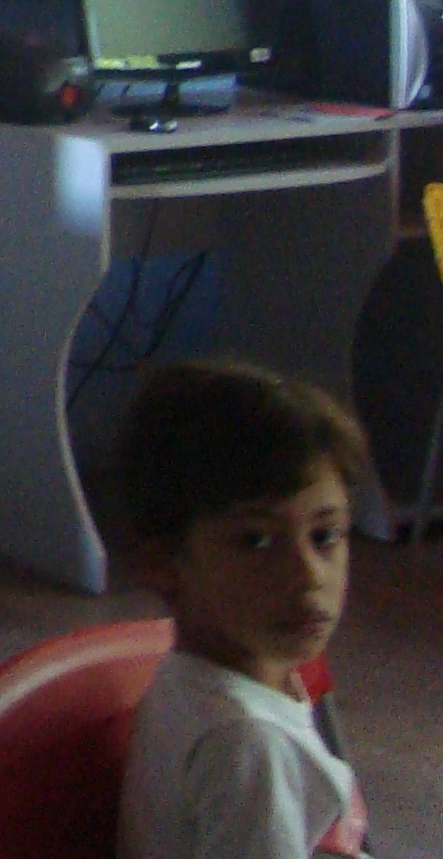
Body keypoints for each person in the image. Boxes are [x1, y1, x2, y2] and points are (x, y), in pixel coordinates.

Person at [115, 359, 371, 859]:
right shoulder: (249, 744)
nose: (309, 575)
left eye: (325, 536)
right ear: (164, 562)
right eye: (256, 540)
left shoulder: (199, 676)